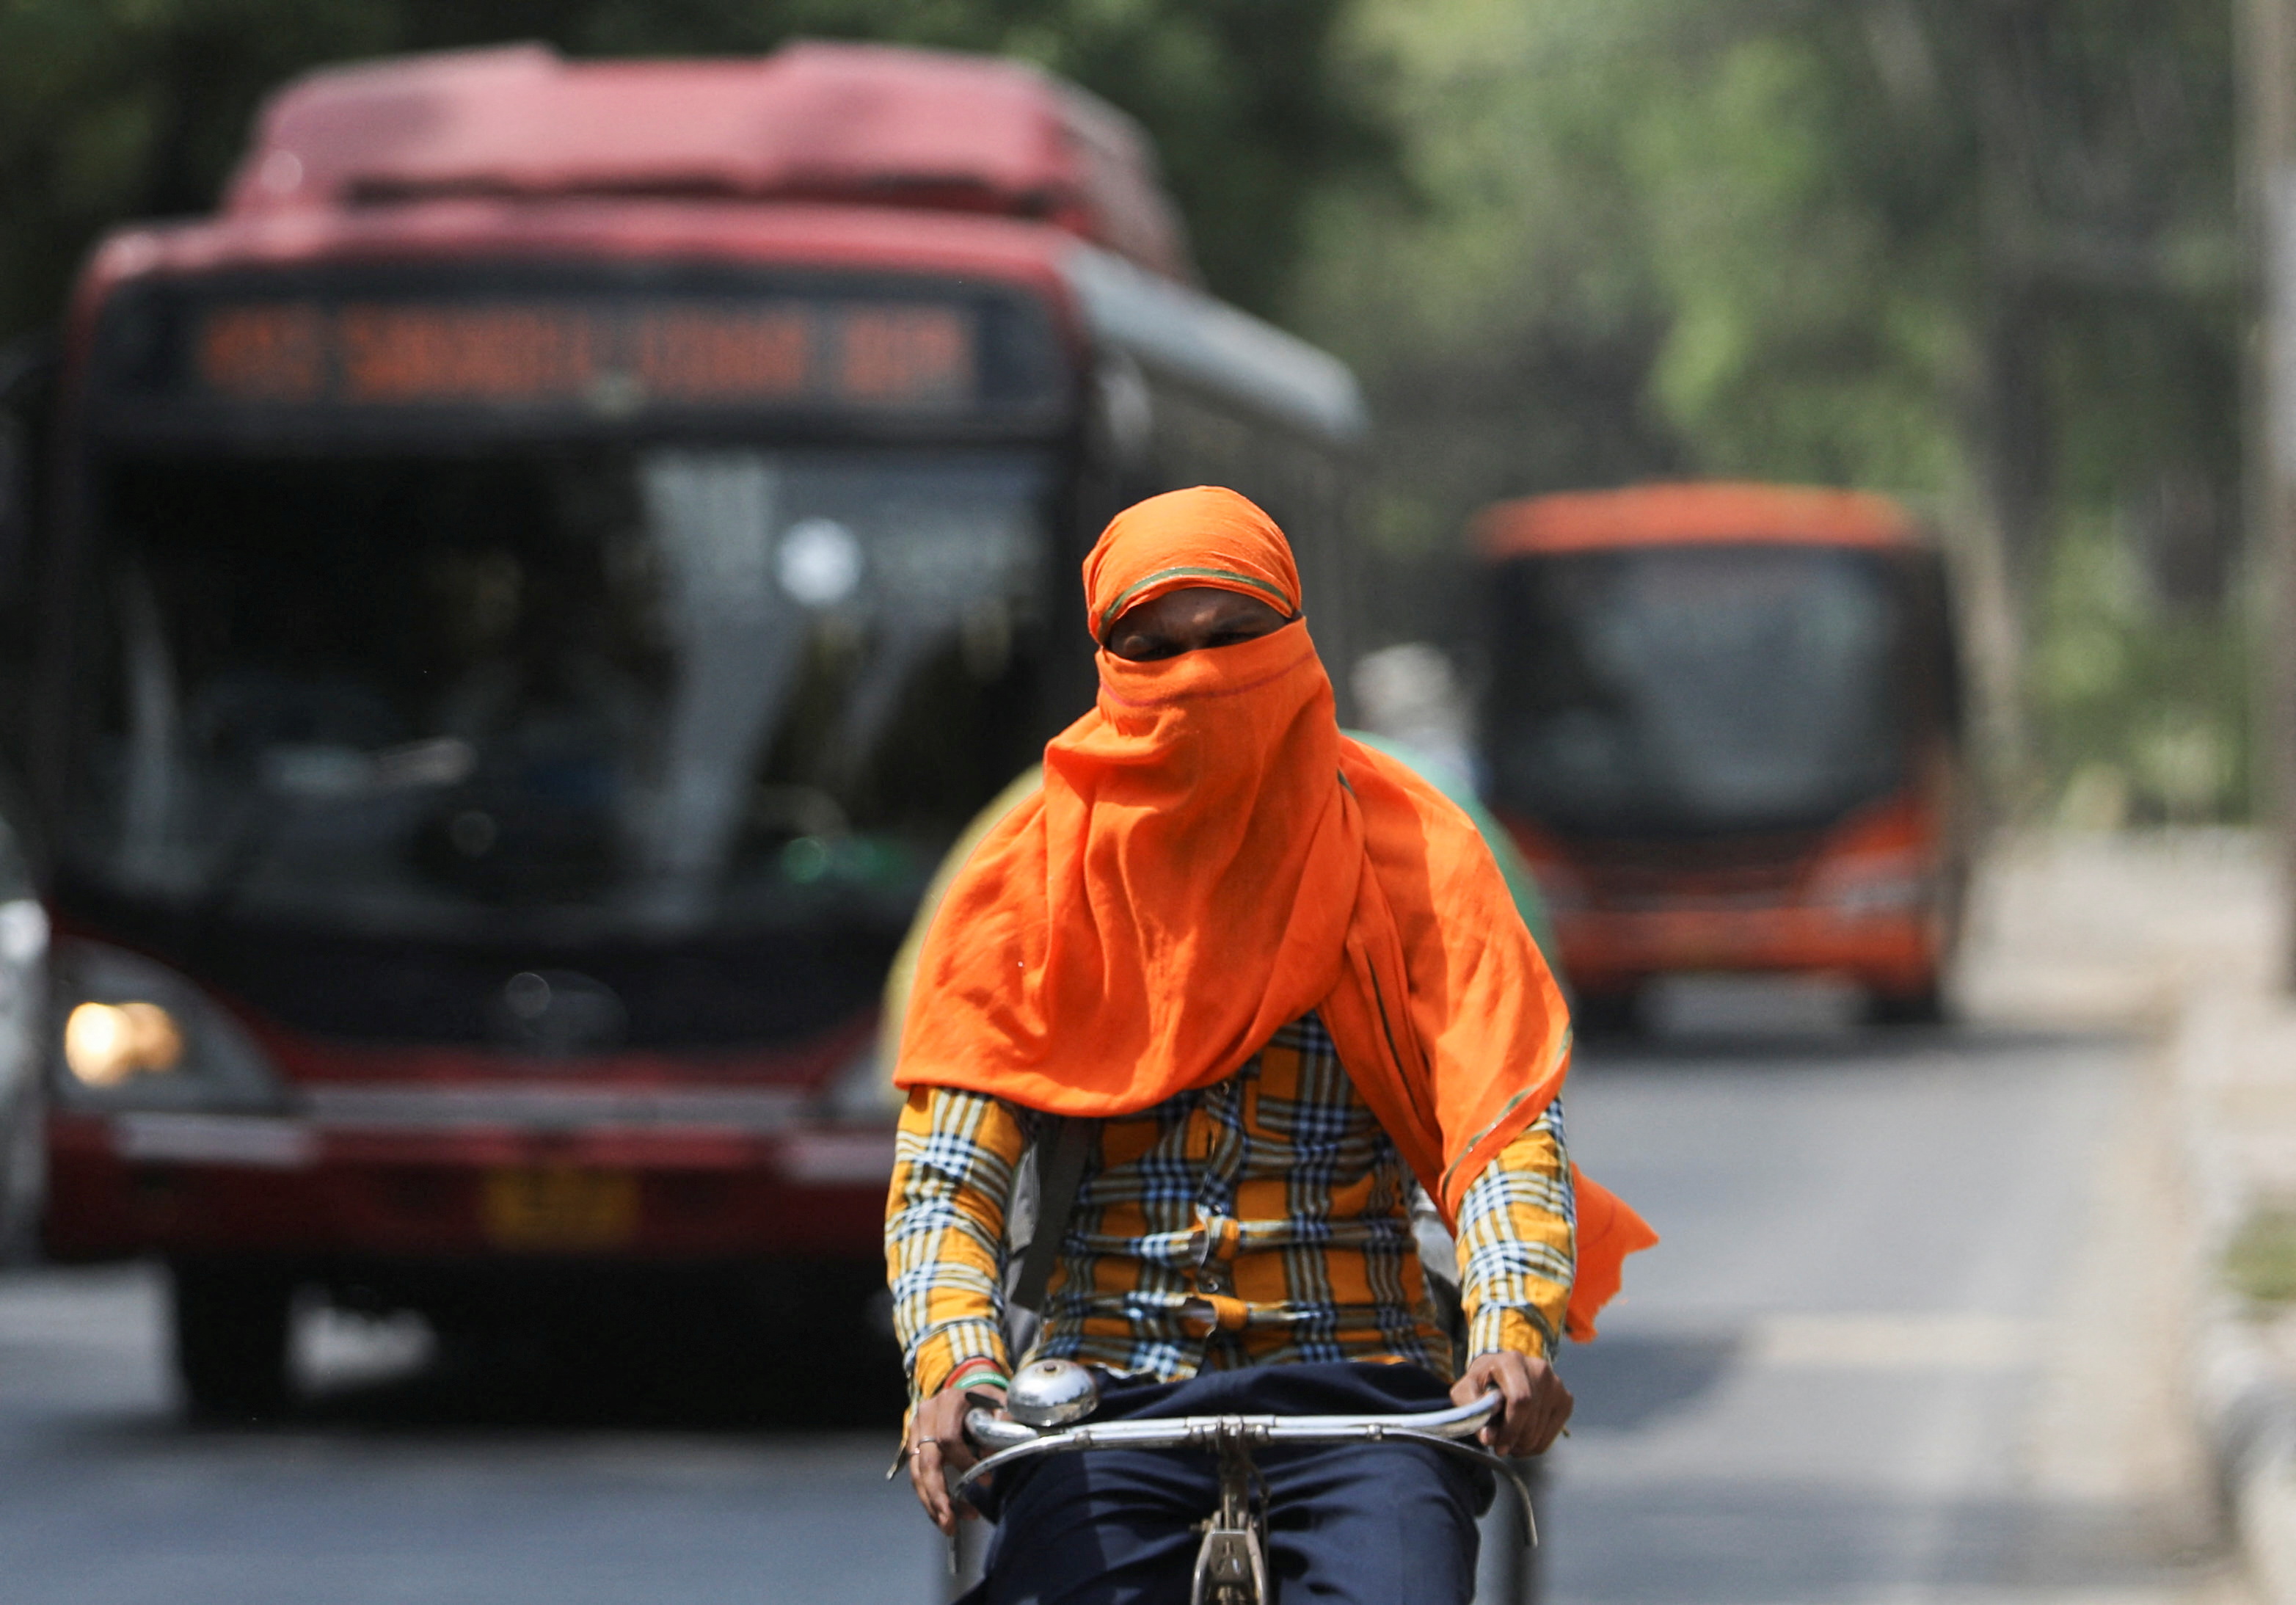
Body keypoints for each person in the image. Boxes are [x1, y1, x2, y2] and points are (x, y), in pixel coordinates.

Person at [883, 487, 1653, 1603]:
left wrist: (1511, 1324)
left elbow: (1502, 1138)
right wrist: (953, 1361)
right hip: (1100, 1391)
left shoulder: (1418, 857)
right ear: (1105, 663)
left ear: (1294, 643)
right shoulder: (1025, 877)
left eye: (1232, 639)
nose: (1197, 678)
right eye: (1153, 649)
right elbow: (950, 1179)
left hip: (1365, 1390)